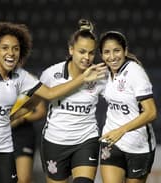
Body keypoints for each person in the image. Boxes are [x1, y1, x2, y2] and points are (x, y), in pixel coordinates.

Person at [0, 21, 106, 183]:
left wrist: (14, 116)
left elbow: (48, 95)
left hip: (6, 148)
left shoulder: (21, 76)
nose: (11, 53)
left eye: (16, 49)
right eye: (5, 48)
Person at [39, 19, 106, 183]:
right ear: (71, 50)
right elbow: (39, 101)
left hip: (86, 140)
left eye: (91, 53)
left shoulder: (100, 76)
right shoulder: (51, 74)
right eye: (82, 52)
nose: (87, 57)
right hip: (54, 142)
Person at [98, 31, 157, 183]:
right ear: (101, 55)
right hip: (112, 140)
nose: (112, 57)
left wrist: (122, 130)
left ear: (125, 50)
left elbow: (151, 112)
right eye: (107, 52)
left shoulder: (135, 73)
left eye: (116, 50)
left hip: (138, 145)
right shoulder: (103, 74)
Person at [11, 95, 46, 183]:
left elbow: (41, 111)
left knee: (24, 179)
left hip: (23, 134)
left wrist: (22, 119)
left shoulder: (29, 83)